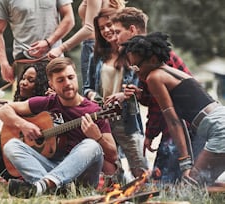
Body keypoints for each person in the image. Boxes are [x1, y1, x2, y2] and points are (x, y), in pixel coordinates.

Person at [0, 57, 118, 198]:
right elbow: (3, 110)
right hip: (52, 167)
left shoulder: (94, 110)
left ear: (76, 77)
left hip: (81, 177)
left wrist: (98, 137)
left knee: (91, 145)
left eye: (70, 77)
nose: (67, 83)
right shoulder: (47, 102)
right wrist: (23, 125)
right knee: (11, 145)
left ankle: (43, 186)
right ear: (51, 84)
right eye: (60, 80)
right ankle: (51, 188)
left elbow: (113, 155)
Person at [122, 31, 225, 186]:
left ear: (153, 59)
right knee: (204, 184)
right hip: (220, 119)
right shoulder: (171, 72)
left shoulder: (154, 77)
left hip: (219, 129)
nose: (135, 72)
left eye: (136, 66)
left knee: (191, 186)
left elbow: (174, 122)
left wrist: (185, 164)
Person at [112, 7, 192, 183]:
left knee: (165, 182)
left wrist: (149, 135)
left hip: (185, 126)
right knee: (163, 180)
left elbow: (159, 105)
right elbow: (152, 98)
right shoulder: (143, 55)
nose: (115, 37)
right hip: (174, 125)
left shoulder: (152, 55)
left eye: (118, 32)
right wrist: (139, 95)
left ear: (132, 29)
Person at [83, 8, 148, 180]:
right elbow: (86, 88)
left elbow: (139, 87)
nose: (106, 30)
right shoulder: (95, 56)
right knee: (112, 170)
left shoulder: (133, 54)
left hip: (127, 119)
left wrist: (123, 95)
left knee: (140, 169)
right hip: (103, 118)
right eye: (101, 27)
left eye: (110, 25)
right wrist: (94, 97)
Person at [48, 0, 125, 90]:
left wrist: (61, 48)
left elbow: (89, 28)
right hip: (100, 44)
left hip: (93, 45)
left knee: (91, 88)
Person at [0, 0, 75, 83]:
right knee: (26, 97)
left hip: (54, 59)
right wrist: (3, 63)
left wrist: (49, 42)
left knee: (57, 96)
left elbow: (69, 18)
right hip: (24, 62)